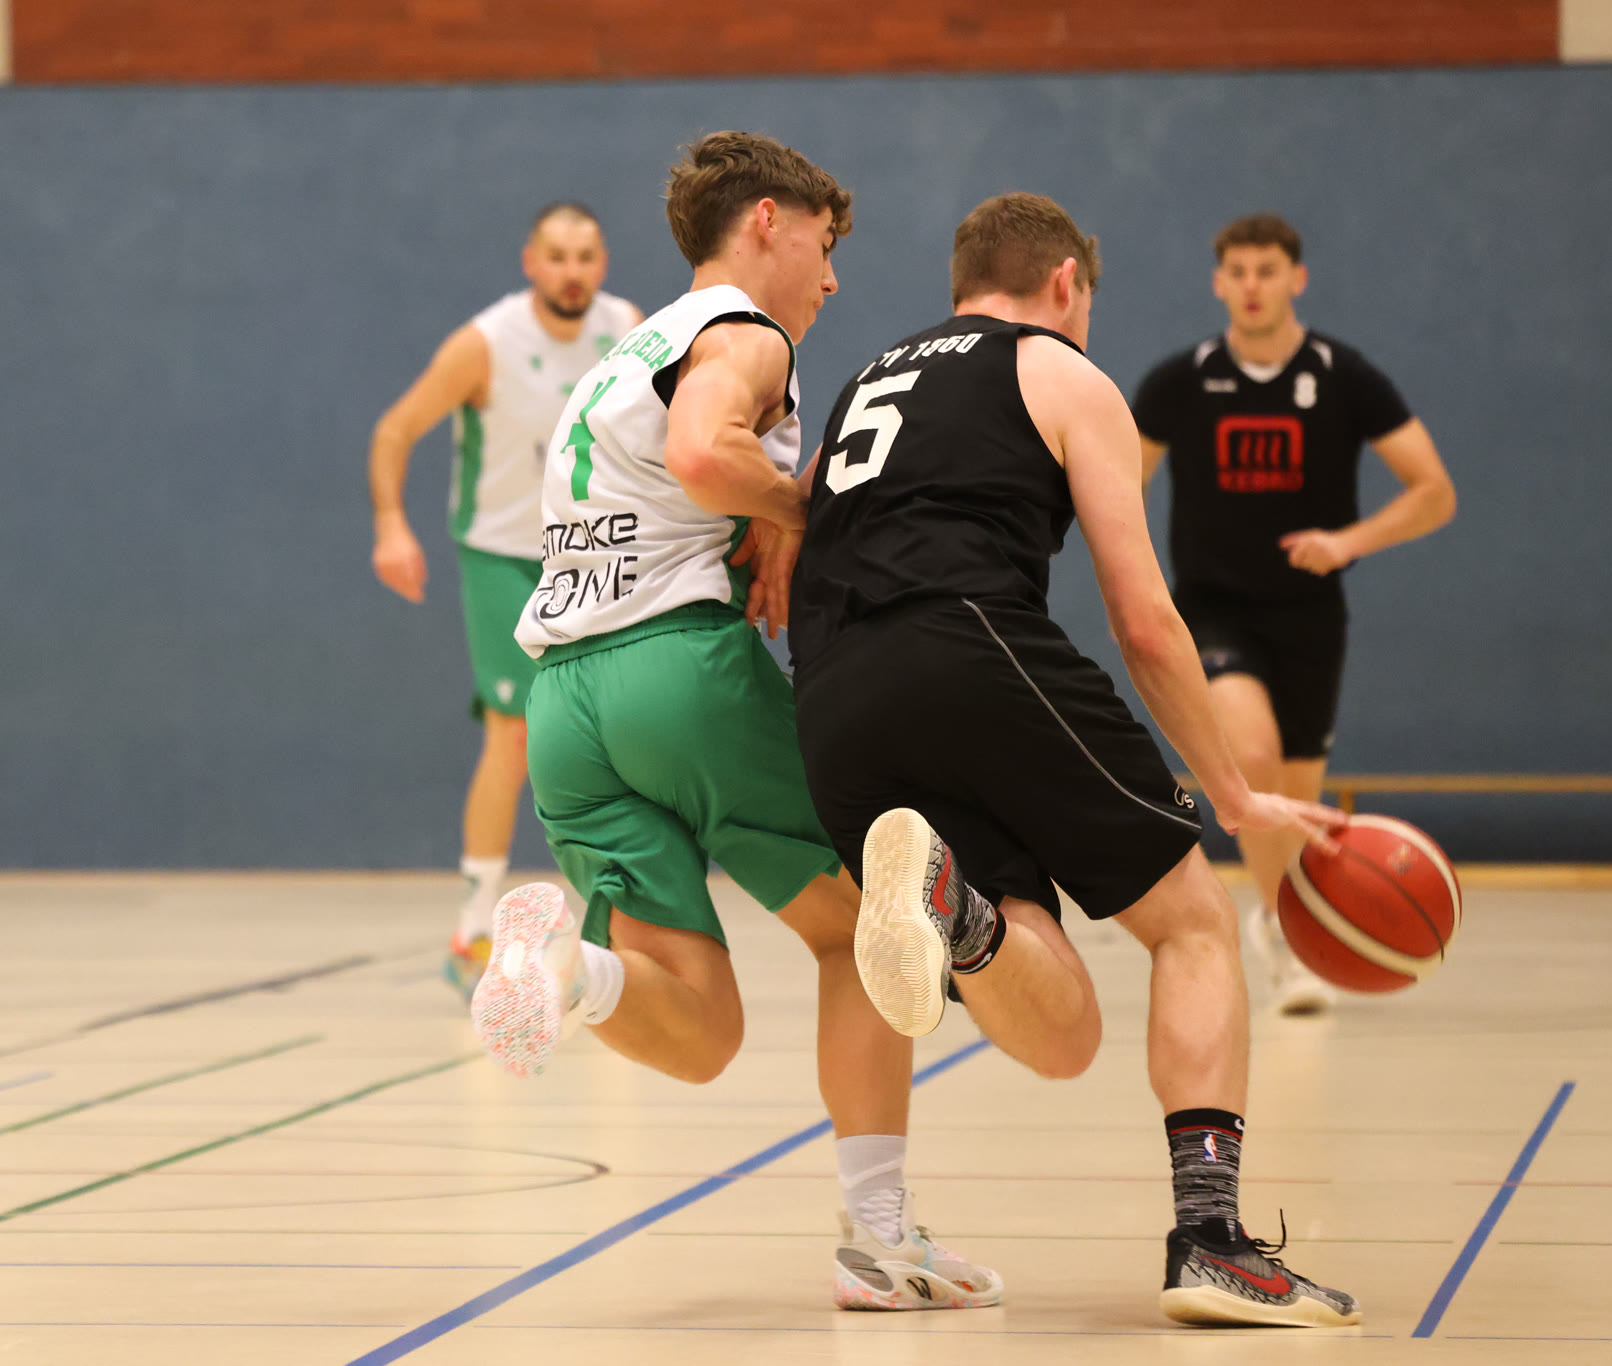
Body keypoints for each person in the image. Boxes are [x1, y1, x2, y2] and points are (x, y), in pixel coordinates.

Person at [789, 192, 1360, 1327]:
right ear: (1064, 284)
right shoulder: (1055, 368)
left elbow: (794, 518)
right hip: (967, 642)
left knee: (1064, 1035)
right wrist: (1233, 791)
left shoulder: (863, 381)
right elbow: (1143, 619)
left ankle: (959, 915)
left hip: (833, 695)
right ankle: (1211, 1240)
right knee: (1193, 924)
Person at [469, 131, 1002, 1313]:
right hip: (676, 674)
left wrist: (751, 510)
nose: (830, 278)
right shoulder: (744, 332)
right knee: (863, 928)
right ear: (767, 220)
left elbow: (676, 468)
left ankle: (562, 970)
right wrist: (803, 509)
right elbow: (702, 453)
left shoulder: (622, 354)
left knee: (698, 1027)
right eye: (823, 243)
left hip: (565, 705)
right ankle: (879, 1239)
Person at [1133, 213, 1456, 1013]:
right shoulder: (1179, 382)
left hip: (1309, 617)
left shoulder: (1345, 377)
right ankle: (1282, 933)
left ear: (1296, 279)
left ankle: (1288, 915)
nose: (1252, 286)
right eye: (1238, 271)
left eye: (1267, 270)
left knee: (1300, 802)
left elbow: (1434, 492)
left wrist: (1348, 542)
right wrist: (1134, 584)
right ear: (1219, 283)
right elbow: (1117, 487)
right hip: (1211, 610)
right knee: (1254, 756)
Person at [367, 205, 641, 1000]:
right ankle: (473, 927)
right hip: (502, 557)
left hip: (591, 556)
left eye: (585, 256)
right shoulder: (486, 343)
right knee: (513, 734)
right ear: (530, 262)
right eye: (556, 256)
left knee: (613, 737)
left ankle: (615, 928)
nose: (571, 272)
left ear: (602, 262)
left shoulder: (628, 329)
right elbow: (394, 431)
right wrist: (391, 524)